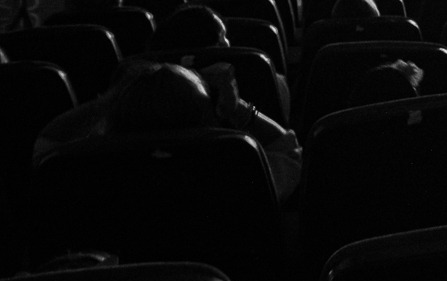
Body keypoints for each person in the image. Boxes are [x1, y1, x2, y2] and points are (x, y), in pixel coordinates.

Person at [34, 60, 303, 202]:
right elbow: (285, 147)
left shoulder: (88, 174)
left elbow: (48, 140)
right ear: (205, 117)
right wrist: (237, 107)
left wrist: (111, 99)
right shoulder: (232, 167)